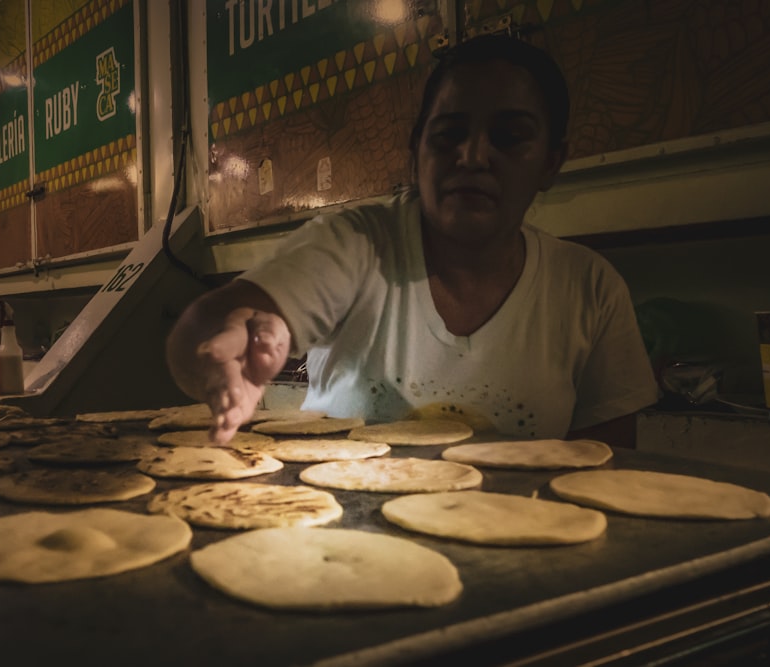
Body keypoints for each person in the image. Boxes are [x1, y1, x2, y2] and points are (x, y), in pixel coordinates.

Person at [167, 33, 659, 447]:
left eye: (509, 136)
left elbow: (609, 471)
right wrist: (218, 351)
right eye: (448, 134)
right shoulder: (355, 246)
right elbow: (205, 327)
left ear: (552, 161)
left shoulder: (587, 287)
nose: (472, 156)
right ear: (415, 151)